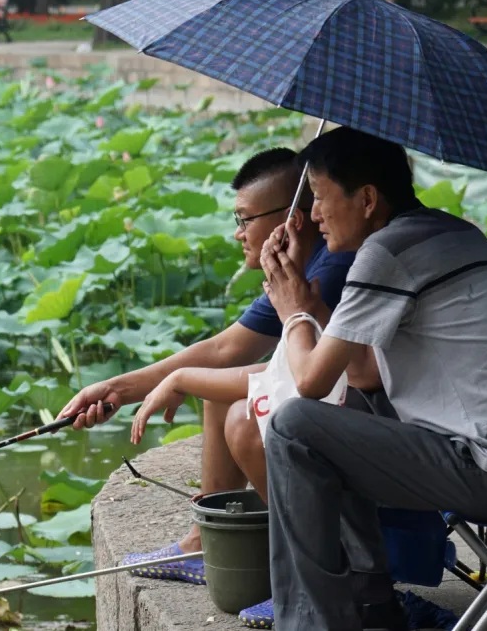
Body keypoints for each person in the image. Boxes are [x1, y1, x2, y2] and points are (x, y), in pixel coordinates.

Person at [256, 127, 487, 630]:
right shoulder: (448, 231)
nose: (313, 215)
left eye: (319, 197)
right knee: (343, 410)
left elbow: (310, 383)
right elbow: (363, 375)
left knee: (293, 428)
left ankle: (314, 622)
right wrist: (309, 305)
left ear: (367, 199)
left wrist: (292, 313)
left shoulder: (387, 253)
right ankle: (371, 605)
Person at [58, 147, 355, 584]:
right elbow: (225, 350)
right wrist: (117, 390)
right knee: (218, 388)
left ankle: (306, 574)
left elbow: (302, 378)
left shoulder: (327, 273)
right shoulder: (299, 266)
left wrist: (182, 379)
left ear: (290, 219)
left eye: (244, 219)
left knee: (240, 416)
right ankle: (203, 542)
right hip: (331, 404)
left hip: (361, 416)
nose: (238, 233)